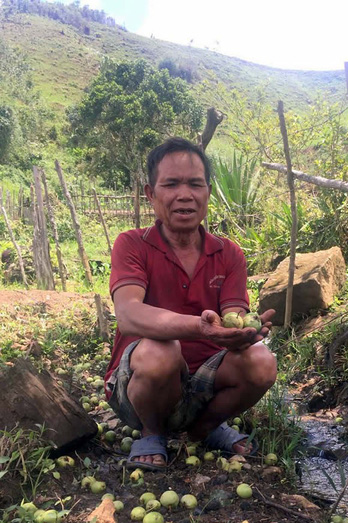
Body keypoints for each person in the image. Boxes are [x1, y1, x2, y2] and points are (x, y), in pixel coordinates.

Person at [103, 137, 277, 471]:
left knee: (261, 361)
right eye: (171, 184)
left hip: (202, 385)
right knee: (161, 352)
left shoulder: (229, 254)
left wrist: (243, 331)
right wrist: (197, 326)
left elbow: (234, 315)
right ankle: (151, 431)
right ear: (150, 194)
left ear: (207, 193)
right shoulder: (132, 245)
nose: (185, 194)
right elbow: (128, 315)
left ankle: (202, 430)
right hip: (139, 387)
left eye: (195, 184)